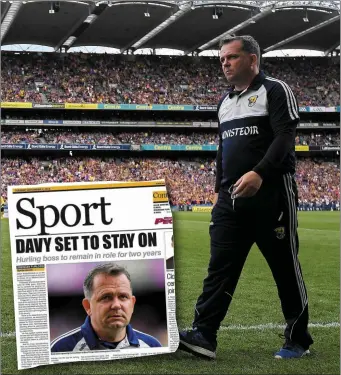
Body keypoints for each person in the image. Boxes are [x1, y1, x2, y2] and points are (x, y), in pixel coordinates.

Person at [179, 35, 313, 360]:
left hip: (272, 196)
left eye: (232, 57)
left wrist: (260, 173)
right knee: (219, 269)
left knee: (284, 268)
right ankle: (204, 335)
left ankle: (298, 340)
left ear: (253, 59)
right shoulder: (224, 103)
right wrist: (216, 193)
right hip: (230, 201)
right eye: (222, 58)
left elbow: (285, 138)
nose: (224, 63)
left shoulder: (275, 90)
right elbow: (223, 152)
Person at [51, 263, 162, 352]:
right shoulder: (61, 349)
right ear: (88, 306)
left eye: (123, 296)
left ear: (132, 303)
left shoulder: (153, 346)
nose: (116, 305)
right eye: (106, 297)